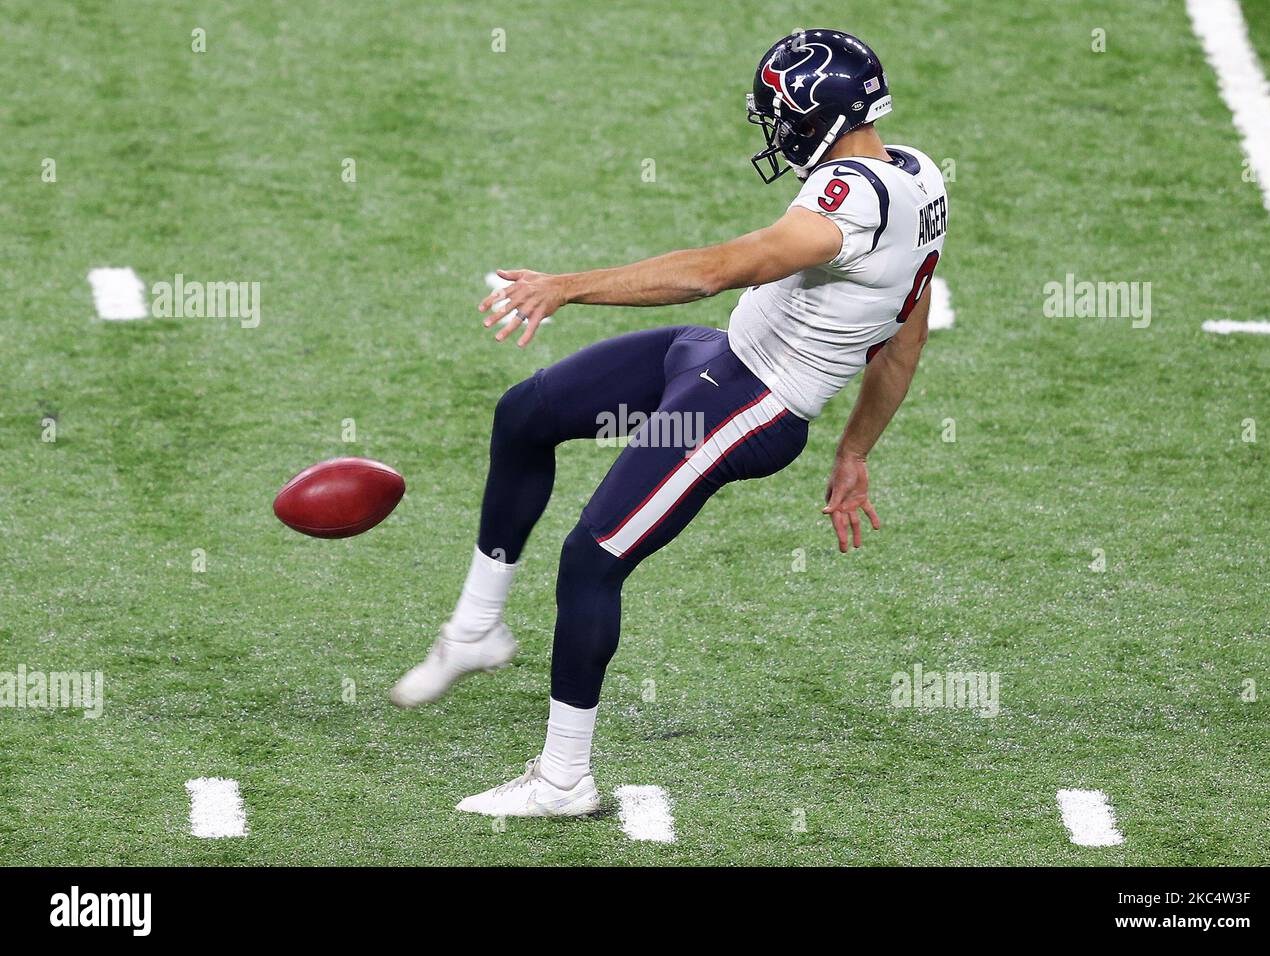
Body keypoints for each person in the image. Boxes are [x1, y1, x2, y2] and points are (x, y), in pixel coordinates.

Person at [391, 28, 949, 817]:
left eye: (779, 114)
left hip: (749, 402)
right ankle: (476, 629)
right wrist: (857, 447)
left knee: (592, 559)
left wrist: (567, 286)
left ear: (814, 115)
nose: (771, 129)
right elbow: (908, 328)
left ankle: (562, 781)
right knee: (525, 414)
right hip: (716, 356)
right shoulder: (918, 176)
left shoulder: (848, 201)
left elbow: (716, 272)